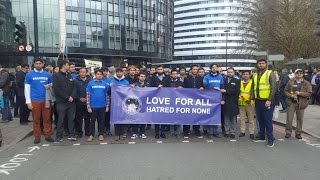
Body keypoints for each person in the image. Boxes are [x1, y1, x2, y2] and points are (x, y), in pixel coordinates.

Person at [25, 59, 54, 144]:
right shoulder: (29, 75)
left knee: (47, 119)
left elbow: (52, 86)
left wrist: (49, 86)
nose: (38, 65)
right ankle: (37, 136)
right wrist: (28, 102)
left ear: (43, 64)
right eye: (36, 63)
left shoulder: (48, 74)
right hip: (34, 100)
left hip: (46, 100)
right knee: (36, 119)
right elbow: (26, 89)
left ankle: (47, 135)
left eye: (40, 63)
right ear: (34, 64)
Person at [252, 59, 277, 147]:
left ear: (266, 64)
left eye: (263, 63)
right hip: (258, 101)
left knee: (267, 120)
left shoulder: (270, 73)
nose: (261, 65)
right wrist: (252, 98)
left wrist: (269, 100)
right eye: (260, 63)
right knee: (260, 120)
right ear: (257, 65)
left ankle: (270, 140)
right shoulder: (255, 75)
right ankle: (262, 137)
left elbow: (274, 87)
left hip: (267, 101)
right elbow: (253, 87)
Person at [53, 60, 77, 142]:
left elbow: (74, 87)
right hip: (61, 102)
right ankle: (59, 136)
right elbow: (57, 89)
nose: (69, 66)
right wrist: (67, 97)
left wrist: (72, 96)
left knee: (71, 119)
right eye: (67, 65)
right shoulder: (56, 76)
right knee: (61, 119)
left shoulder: (69, 75)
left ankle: (72, 134)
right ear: (63, 65)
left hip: (71, 102)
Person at [284, 69, 312, 139]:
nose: (299, 74)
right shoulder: (290, 81)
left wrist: (300, 93)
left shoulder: (306, 83)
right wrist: (291, 96)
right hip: (291, 103)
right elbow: (285, 91)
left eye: (300, 73)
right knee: (289, 119)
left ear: (303, 74)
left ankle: (298, 133)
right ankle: (288, 132)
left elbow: (309, 93)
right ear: (295, 74)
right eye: (297, 73)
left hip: (301, 103)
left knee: (300, 119)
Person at [86, 69, 110, 142]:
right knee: (92, 122)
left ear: (102, 75)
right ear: (95, 75)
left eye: (100, 74)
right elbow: (88, 95)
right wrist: (88, 106)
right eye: (98, 74)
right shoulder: (90, 84)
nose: (99, 75)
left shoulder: (105, 84)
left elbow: (107, 96)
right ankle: (91, 135)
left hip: (102, 106)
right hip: (93, 106)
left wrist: (107, 106)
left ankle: (101, 134)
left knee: (101, 121)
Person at [203, 63, 225, 139]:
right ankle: (210, 132)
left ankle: (215, 132)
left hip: (217, 98)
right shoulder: (206, 77)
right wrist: (212, 88)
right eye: (213, 67)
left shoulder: (220, 77)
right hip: (209, 98)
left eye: (215, 67)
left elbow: (222, 88)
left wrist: (222, 99)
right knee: (209, 115)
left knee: (216, 116)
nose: (214, 69)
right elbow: (205, 86)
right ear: (210, 68)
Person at [183, 64, 203, 138]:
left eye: (196, 69)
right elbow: (184, 88)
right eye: (194, 69)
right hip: (188, 99)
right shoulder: (186, 78)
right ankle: (186, 131)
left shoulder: (200, 78)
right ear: (191, 70)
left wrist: (202, 88)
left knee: (197, 115)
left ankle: (197, 130)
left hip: (197, 99)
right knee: (187, 115)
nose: (195, 71)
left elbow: (203, 87)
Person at [163, 69, 184, 138]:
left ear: (177, 74)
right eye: (173, 74)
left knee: (178, 117)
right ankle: (171, 132)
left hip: (178, 102)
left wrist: (182, 89)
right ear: (171, 74)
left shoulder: (181, 82)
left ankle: (178, 132)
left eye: (176, 74)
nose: (174, 75)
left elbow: (185, 92)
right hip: (170, 102)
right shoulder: (166, 81)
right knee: (171, 117)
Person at [111, 68, 130, 141]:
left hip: (124, 103)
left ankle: (121, 134)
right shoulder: (112, 82)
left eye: (120, 72)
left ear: (123, 73)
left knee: (123, 118)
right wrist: (110, 87)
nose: (119, 73)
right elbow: (108, 92)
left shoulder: (126, 82)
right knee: (116, 119)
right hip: (115, 103)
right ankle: (116, 134)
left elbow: (129, 92)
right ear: (116, 73)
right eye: (118, 72)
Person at [150, 65, 168, 139]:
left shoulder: (167, 77)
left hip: (164, 99)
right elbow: (150, 87)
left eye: (161, 69)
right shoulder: (153, 77)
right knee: (156, 116)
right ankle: (157, 132)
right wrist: (156, 86)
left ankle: (162, 132)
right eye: (158, 69)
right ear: (156, 70)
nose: (160, 70)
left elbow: (169, 86)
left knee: (163, 116)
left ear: (163, 70)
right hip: (156, 99)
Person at [223, 68, 240, 139]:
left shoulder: (237, 80)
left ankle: (232, 132)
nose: (230, 73)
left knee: (233, 118)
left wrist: (226, 91)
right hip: (225, 101)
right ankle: (227, 132)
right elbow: (222, 89)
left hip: (233, 101)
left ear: (234, 73)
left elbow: (236, 91)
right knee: (226, 117)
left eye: (231, 72)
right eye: (228, 72)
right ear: (227, 73)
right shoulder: (223, 80)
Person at [131, 72, 149, 139]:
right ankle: (135, 132)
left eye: (144, 76)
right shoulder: (135, 84)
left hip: (144, 104)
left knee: (143, 119)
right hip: (136, 103)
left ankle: (142, 133)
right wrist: (132, 87)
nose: (143, 77)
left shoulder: (147, 84)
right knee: (135, 118)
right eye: (141, 76)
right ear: (138, 77)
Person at [74, 67, 91, 138]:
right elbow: (74, 91)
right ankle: (79, 132)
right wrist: (79, 98)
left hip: (87, 103)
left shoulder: (90, 81)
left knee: (87, 118)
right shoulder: (75, 81)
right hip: (79, 102)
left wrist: (87, 97)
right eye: (81, 72)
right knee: (79, 119)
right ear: (79, 73)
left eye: (84, 72)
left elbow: (92, 90)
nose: (82, 73)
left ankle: (87, 132)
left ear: (86, 73)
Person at [238, 70, 255, 139]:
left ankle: (251, 132)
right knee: (242, 119)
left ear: (250, 75)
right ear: (242, 75)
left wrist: (251, 99)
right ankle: (242, 131)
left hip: (249, 103)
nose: (245, 75)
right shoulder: (240, 82)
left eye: (247, 74)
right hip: (241, 103)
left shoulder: (252, 82)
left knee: (251, 119)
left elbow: (254, 92)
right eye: (244, 74)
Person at [101, 67, 112, 136]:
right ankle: (102, 130)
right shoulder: (98, 79)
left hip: (108, 100)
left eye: (106, 71)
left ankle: (108, 129)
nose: (105, 72)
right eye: (104, 71)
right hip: (101, 100)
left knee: (108, 117)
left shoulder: (110, 80)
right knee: (101, 117)